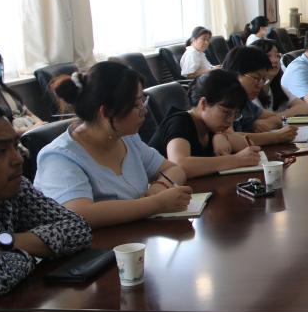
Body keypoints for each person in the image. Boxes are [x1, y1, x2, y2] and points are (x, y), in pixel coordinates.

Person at [0, 102, 114, 312]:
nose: (18, 159)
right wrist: (36, 254)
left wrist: (4, 243)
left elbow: (78, 229)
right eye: (0, 151)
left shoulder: (14, 188)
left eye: (15, 145)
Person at [34, 62, 193, 227]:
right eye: (136, 105)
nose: (144, 111)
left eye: (142, 101)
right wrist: (157, 203)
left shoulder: (127, 138)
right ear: (106, 112)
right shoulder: (58, 157)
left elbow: (174, 169)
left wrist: (159, 187)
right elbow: (80, 214)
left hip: (135, 235)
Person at [149, 70, 263, 179]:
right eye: (226, 112)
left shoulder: (211, 125)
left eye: (236, 114)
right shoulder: (179, 122)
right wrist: (236, 160)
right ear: (203, 104)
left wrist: (222, 136)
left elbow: (247, 146)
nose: (230, 121)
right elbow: (179, 164)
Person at [220, 47, 299, 144]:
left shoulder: (244, 102)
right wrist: (276, 137)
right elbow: (230, 138)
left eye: (263, 79)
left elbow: (275, 117)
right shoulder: (221, 100)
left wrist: (267, 123)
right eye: (256, 78)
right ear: (235, 74)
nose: (260, 85)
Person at [0, 44, 44, 135]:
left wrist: (40, 124)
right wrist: (32, 130)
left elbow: (29, 113)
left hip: (30, 132)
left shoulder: (4, 90)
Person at [248, 39, 308, 115]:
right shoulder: (250, 90)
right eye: (268, 56)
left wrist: (278, 117)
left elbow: (304, 107)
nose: (275, 60)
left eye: (277, 56)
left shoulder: (277, 87)